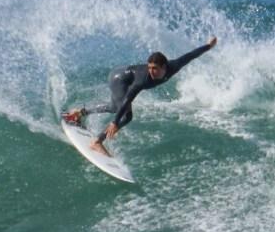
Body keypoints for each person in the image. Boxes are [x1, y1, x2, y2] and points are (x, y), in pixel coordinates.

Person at [63, 36, 218, 156]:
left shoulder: (173, 66)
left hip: (122, 75)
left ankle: (79, 112)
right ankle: (97, 141)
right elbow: (129, 98)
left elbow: (190, 55)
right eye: (150, 68)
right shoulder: (143, 80)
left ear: (164, 67)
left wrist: (208, 46)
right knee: (126, 116)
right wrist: (115, 123)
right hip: (119, 79)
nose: (151, 71)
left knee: (113, 107)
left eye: (155, 68)